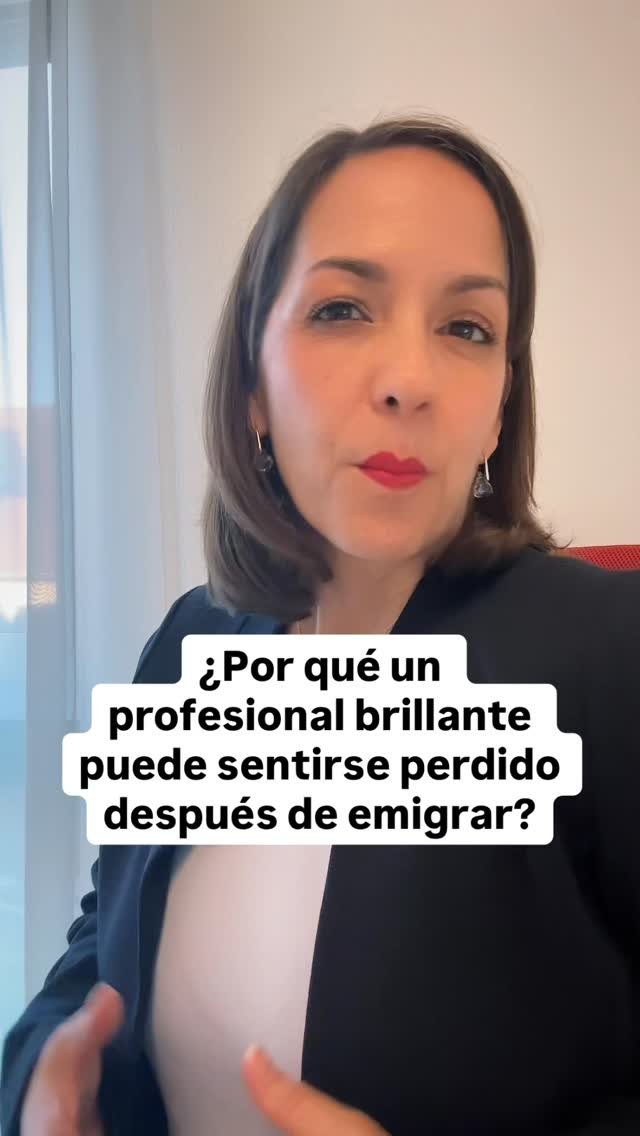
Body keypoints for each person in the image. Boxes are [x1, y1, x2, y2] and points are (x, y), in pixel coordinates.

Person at [1, 114, 639, 1136]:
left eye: (467, 328)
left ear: (496, 408)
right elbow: (103, 934)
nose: (408, 379)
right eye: (343, 309)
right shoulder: (193, 642)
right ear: (252, 386)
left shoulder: (608, 655)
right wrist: (44, 1067)